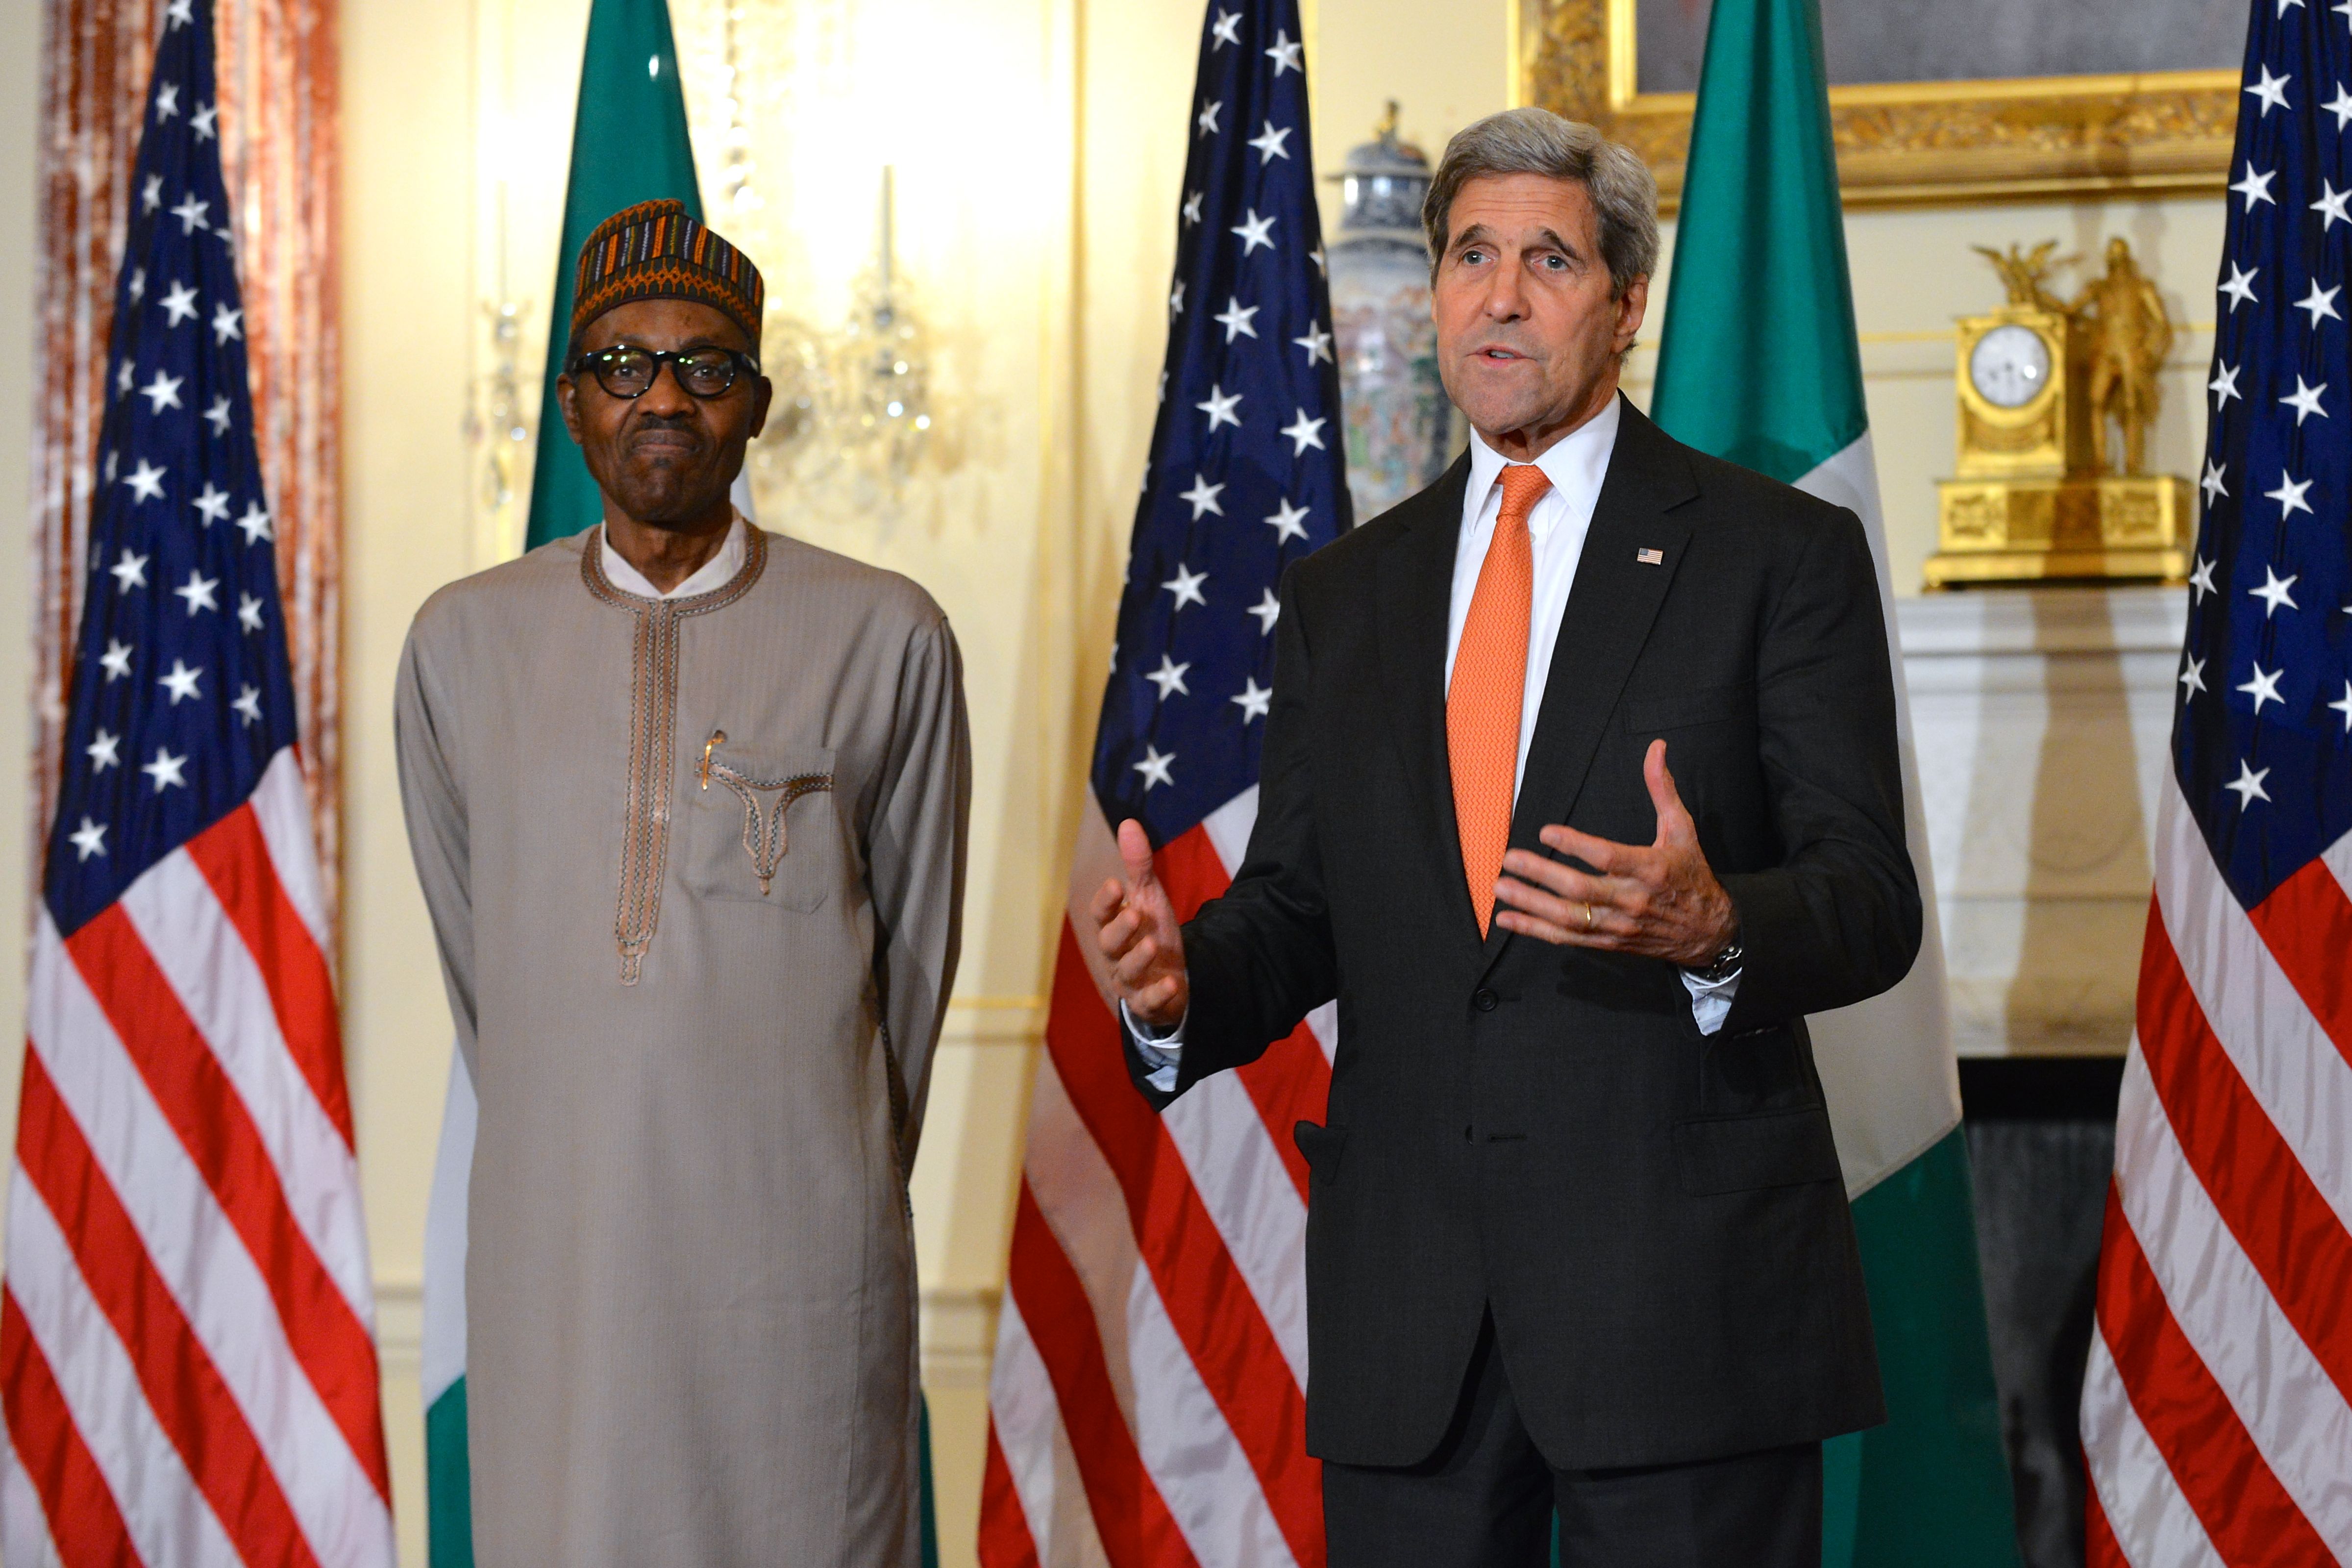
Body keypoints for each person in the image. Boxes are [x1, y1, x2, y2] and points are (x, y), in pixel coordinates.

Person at [1091, 109, 1918, 1567]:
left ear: (1625, 302)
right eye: (1470, 254)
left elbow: (1869, 901)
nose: (1501, 292)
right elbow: (1298, 910)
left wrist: (1715, 925)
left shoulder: (1773, 555)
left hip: (1683, 1308)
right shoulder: (1348, 595)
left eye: (1548, 257)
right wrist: (1180, 991)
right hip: (1415, 1312)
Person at [396, 199, 969, 1567]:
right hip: (562, 1273)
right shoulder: (460, 645)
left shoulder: (885, 634)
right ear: (569, 405)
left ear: (757, 403)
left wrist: (800, 1163)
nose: (663, 396)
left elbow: (917, 971)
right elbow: (494, 986)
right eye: (622, 365)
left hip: (800, 1279)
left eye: (705, 366)